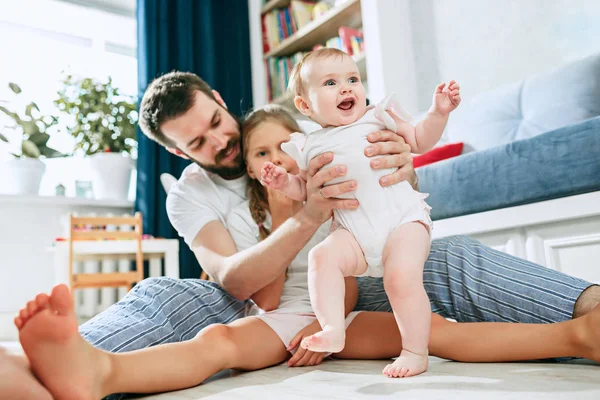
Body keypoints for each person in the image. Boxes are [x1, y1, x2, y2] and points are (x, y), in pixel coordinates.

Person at [1, 70, 599, 399]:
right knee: (173, 303)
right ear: (177, 152)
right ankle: (53, 368)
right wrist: (304, 213)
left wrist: (399, 159)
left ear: (219, 99)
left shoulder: (295, 127)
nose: (223, 145)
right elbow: (239, 281)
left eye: (216, 123)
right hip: (261, 296)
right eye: (198, 144)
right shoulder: (196, 189)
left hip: (357, 274)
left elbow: (380, 154)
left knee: (447, 268)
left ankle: (584, 323)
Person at [261, 48, 460, 377]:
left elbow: (421, 140)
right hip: (353, 233)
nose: (346, 88)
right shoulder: (308, 145)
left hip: (402, 221)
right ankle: (333, 329)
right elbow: (305, 189)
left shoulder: (378, 115)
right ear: (305, 105)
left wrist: (438, 113)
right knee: (321, 257)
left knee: (400, 280)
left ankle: (415, 351)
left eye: (352, 79)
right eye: (330, 83)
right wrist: (285, 182)